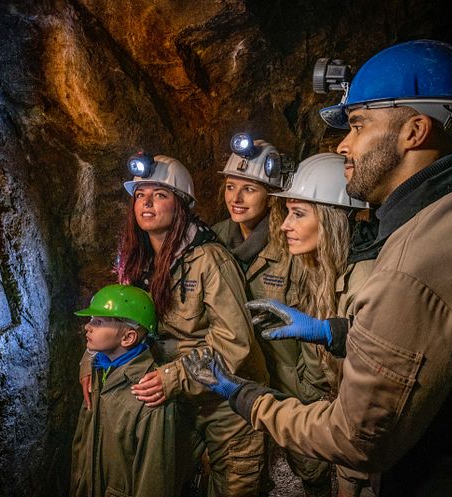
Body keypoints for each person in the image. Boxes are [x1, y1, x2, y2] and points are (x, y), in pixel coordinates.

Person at [183, 39, 452, 496]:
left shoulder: (418, 262)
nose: (344, 143)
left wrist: (244, 396)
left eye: (358, 124)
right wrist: (336, 332)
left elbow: (354, 438)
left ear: (415, 131)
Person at [93, 153, 270, 496]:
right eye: (141, 194)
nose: (147, 202)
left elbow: (236, 343)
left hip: (225, 405)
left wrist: (173, 377)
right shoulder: (137, 259)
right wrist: (92, 359)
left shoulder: (209, 260)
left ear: (181, 206)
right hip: (176, 404)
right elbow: (120, 320)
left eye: (160, 195)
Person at [212, 137, 333, 496]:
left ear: (272, 194)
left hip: (290, 379)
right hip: (240, 372)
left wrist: (312, 388)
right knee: (245, 469)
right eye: (231, 186)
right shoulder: (215, 239)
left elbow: (314, 315)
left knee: (311, 466)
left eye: (249, 189)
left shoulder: (292, 243)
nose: (236, 197)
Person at [252, 152, 374, 497]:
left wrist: (329, 333)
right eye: (288, 212)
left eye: (299, 214)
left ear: (332, 219)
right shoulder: (323, 267)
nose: (286, 224)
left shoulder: (365, 276)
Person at [70, 284, 191, 497]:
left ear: (128, 337)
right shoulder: (99, 373)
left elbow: (153, 480)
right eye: (90, 320)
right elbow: (83, 448)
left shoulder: (148, 393)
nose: (87, 327)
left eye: (98, 322)